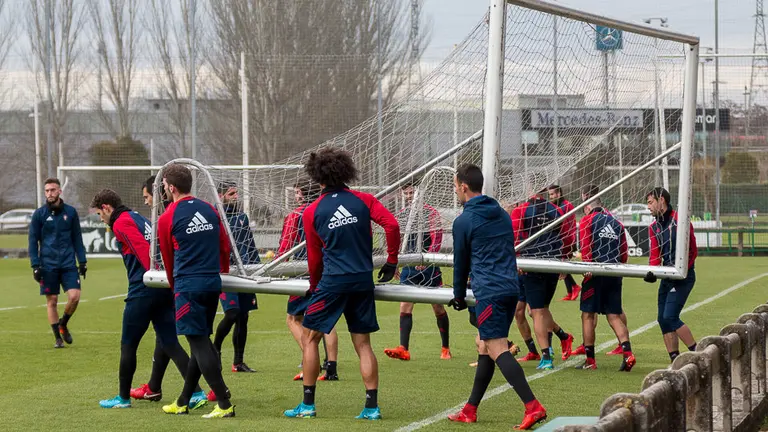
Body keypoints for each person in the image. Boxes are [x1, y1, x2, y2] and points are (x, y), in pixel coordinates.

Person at [283, 147, 400, 420]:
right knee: (363, 344)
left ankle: (308, 405)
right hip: (362, 280)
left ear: (317, 177)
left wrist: (315, 286)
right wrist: (391, 262)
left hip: (333, 281)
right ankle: (371, 408)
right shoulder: (364, 200)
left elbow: (314, 259)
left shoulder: (312, 211)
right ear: (346, 170)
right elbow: (392, 226)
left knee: (311, 338)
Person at [446, 164, 547, 430]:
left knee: (497, 347)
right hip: (510, 288)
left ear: (464, 187)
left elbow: (461, 263)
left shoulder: (464, 221)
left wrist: (458, 296)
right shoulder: (502, 214)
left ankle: (533, 406)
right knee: (484, 344)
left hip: (489, 291)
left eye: (456, 186)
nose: (455, 190)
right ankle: (470, 409)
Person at [92, 189, 207, 409]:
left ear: (106, 207)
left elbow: (144, 252)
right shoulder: (138, 217)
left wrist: (153, 276)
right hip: (161, 286)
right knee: (171, 343)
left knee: (128, 345)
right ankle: (196, 393)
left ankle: (123, 398)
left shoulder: (121, 222)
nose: (101, 218)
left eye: (100, 213)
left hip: (143, 288)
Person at [157, 163, 235, 419]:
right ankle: (183, 401)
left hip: (188, 286)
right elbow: (224, 245)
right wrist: (220, 271)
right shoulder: (210, 209)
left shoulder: (167, 216)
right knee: (199, 340)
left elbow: (168, 259)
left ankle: (223, 402)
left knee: (199, 343)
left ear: (171, 187)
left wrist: (173, 286)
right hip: (212, 283)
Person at [278, 179, 340, 382]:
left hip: (302, 271)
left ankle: (309, 359)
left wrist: (277, 266)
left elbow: (286, 245)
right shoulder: (327, 211)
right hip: (328, 270)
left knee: (293, 319)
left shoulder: (297, 214)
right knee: (326, 320)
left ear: (303, 194)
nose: (296, 196)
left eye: (298, 192)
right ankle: (331, 367)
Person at [384, 182, 451, 361]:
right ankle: (403, 348)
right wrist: (395, 262)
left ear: (420, 193)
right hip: (409, 267)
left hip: (429, 268)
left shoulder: (430, 213)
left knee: (437, 307)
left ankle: (445, 348)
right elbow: (397, 239)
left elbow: (437, 237)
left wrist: (428, 258)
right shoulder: (402, 215)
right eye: (406, 193)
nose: (409, 196)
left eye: (412, 193)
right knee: (405, 305)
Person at [510, 190, 574, 370]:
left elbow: (514, 239)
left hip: (531, 265)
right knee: (536, 310)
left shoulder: (521, 210)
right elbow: (567, 237)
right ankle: (558, 340)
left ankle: (546, 355)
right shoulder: (556, 210)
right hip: (552, 264)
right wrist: (564, 258)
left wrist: (517, 259)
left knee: (536, 312)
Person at [574, 185, 635, 372]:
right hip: (614, 273)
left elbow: (586, 248)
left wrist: (587, 268)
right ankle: (628, 354)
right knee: (614, 316)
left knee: (587, 315)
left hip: (596, 273)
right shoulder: (617, 223)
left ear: (587, 206)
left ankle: (590, 360)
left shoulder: (587, 221)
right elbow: (624, 254)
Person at [28, 178, 87, 348]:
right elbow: (33, 241)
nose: (49, 194)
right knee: (52, 300)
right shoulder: (39, 215)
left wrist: (82, 261)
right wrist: (35, 266)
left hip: (68, 264)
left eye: (53, 190)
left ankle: (63, 323)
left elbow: (77, 238)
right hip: (48, 265)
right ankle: (58, 338)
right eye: (47, 191)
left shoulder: (71, 212)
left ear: (60, 191)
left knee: (74, 297)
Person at [210, 181, 259, 382]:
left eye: (236, 193)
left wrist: (256, 269)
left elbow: (250, 243)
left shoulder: (241, 218)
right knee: (232, 313)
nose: (236, 197)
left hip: (245, 272)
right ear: (221, 196)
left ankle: (238, 362)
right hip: (225, 273)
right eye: (232, 193)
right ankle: (216, 348)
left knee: (243, 316)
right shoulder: (214, 216)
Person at [645, 187, 698, 362]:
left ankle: (698, 353)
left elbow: (693, 250)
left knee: (670, 316)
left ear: (662, 200)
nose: (648, 207)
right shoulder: (653, 228)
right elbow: (654, 256)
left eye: (650, 202)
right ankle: (675, 360)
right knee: (662, 319)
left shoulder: (680, 221)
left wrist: (683, 270)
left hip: (683, 277)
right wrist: (652, 272)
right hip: (667, 277)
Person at [547, 185, 581, 301]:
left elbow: (567, 225)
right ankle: (571, 290)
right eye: (549, 194)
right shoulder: (559, 206)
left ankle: (574, 287)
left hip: (567, 240)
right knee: (561, 265)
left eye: (552, 194)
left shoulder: (565, 205)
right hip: (563, 240)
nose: (550, 197)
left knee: (561, 265)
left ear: (559, 194)